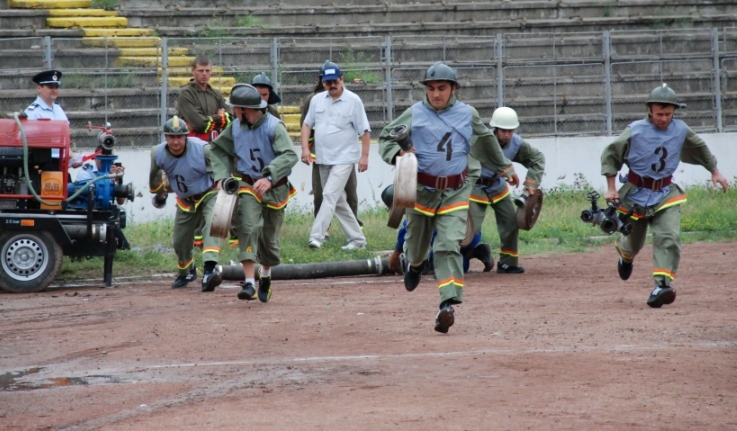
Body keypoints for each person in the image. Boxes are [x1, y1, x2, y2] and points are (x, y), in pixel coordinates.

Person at [379, 62, 518, 333]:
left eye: (442, 88)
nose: (436, 94)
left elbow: (486, 142)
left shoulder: (468, 114)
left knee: (448, 244)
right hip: (420, 190)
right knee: (417, 246)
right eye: (431, 89)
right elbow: (386, 138)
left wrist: (505, 167)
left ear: (453, 89)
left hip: (455, 190)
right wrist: (398, 155)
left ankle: (447, 304)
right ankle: (416, 264)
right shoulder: (414, 113)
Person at [602, 83, 729, 308]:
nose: (664, 118)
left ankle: (662, 285)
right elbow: (612, 153)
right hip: (635, 193)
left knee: (669, 236)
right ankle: (625, 255)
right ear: (649, 110)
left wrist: (715, 171)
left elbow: (699, 147)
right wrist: (611, 188)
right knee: (634, 242)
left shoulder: (680, 129)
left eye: (668, 114)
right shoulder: (635, 130)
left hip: (665, 193)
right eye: (659, 114)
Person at [208, 84, 298, 303]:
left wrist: (269, 177)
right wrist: (220, 176)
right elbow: (217, 149)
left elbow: (289, 155)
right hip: (247, 186)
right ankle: (249, 283)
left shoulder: (274, 127)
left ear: (248, 110)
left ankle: (265, 275)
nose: (233, 113)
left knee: (269, 239)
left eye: (236, 109)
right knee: (248, 226)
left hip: (274, 188)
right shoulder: (235, 127)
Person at [301, 63, 371, 250]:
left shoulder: (353, 101)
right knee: (337, 200)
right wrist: (305, 149)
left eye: (334, 81)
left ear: (342, 80)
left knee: (329, 196)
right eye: (327, 82)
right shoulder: (316, 100)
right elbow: (307, 125)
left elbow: (364, 130)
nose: (332, 85)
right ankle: (357, 240)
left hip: (345, 158)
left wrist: (365, 156)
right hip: (323, 158)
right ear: (323, 83)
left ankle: (317, 236)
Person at [148, 115, 223, 290]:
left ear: (186, 136)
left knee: (212, 226)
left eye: (179, 137)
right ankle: (187, 271)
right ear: (165, 137)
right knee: (180, 241)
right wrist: (159, 194)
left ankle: (210, 270)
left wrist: (221, 181)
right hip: (185, 199)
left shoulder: (202, 149)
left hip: (208, 193)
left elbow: (220, 166)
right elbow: (154, 177)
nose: (175, 142)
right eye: (171, 137)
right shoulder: (157, 153)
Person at [469, 106, 545, 274]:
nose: (507, 135)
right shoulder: (482, 140)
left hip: (497, 186)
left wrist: (531, 184)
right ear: (495, 128)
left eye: (511, 131)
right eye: (504, 130)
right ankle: (451, 259)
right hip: (475, 187)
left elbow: (537, 158)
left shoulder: (516, 142)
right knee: (470, 230)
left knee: (511, 222)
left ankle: (507, 263)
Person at [382, 184, 494, 275]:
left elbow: (408, 231)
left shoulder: (419, 208)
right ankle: (476, 251)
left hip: (456, 238)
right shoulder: (434, 194)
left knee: (436, 264)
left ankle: (463, 257)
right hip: (470, 235)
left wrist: (395, 255)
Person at [176, 55, 230, 142]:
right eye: (200, 70)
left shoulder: (216, 94)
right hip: (192, 145)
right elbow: (200, 124)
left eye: (207, 70)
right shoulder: (186, 94)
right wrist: (220, 117)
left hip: (214, 145)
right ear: (193, 71)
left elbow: (231, 117)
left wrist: (208, 120)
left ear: (211, 71)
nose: (204, 74)